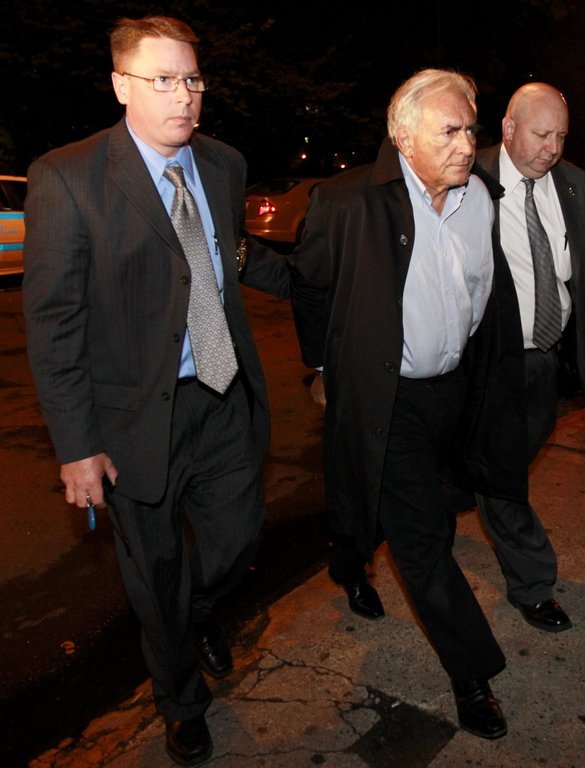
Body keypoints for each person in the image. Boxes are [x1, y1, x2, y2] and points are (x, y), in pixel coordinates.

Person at [22, 16, 290, 768]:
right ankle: (180, 700)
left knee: (237, 543)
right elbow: (54, 321)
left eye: (192, 79)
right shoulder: (68, 177)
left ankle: (194, 613)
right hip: (133, 418)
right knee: (155, 572)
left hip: (223, 397)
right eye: (163, 79)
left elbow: (225, 258)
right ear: (121, 86)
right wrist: (77, 445)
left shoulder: (224, 165)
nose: (184, 96)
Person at [289, 68, 531, 740]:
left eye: (470, 130)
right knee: (422, 538)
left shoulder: (480, 198)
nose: (466, 145)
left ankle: (348, 560)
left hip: (454, 391)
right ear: (402, 136)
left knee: (409, 507)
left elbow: (484, 297)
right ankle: (471, 673)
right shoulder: (348, 201)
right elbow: (309, 289)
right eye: (448, 131)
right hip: (386, 397)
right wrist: (323, 367)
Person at [474, 82, 585, 633]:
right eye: (541, 135)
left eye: (561, 136)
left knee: (509, 457)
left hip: (544, 359)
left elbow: (584, 262)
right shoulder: (470, 176)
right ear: (509, 128)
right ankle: (533, 582)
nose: (552, 148)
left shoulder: (572, 183)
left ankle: (453, 489)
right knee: (503, 475)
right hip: (487, 361)